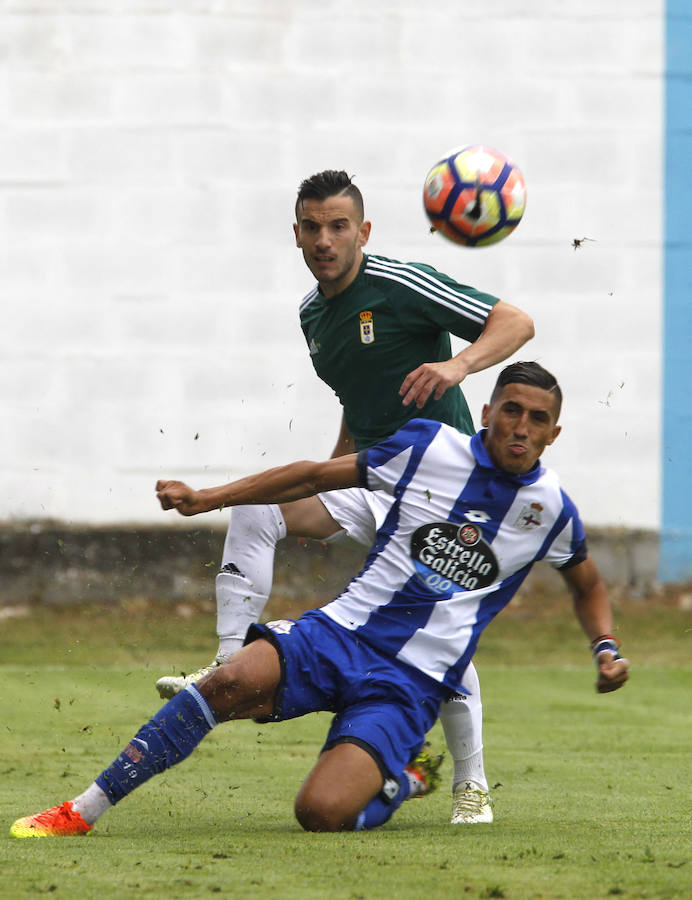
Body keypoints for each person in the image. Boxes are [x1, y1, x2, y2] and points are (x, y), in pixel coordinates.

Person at [10, 362, 629, 839]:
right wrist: (211, 497)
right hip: (339, 634)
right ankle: (81, 810)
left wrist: (605, 647)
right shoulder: (427, 448)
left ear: (553, 433)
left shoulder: (550, 512)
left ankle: (399, 781)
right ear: (488, 411)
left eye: (536, 419)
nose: (520, 426)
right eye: (511, 410)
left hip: (409, 684)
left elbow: (589, 583)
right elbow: (312, 474)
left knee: (319, 814)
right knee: (224, 683)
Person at [154, 170, 535, 825]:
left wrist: (458, 365)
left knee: (432, 635)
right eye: (312, 226)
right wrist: (333, 476)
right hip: (375, 480)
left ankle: (470, 785)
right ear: (296, 233)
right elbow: (357, 405)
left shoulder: (401, 284)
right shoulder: (313, 315)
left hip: (444, 494)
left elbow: (516, 321)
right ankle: (224, 666)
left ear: (363, 231)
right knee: (258, 509)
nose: (324, 239)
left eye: (338, 226)